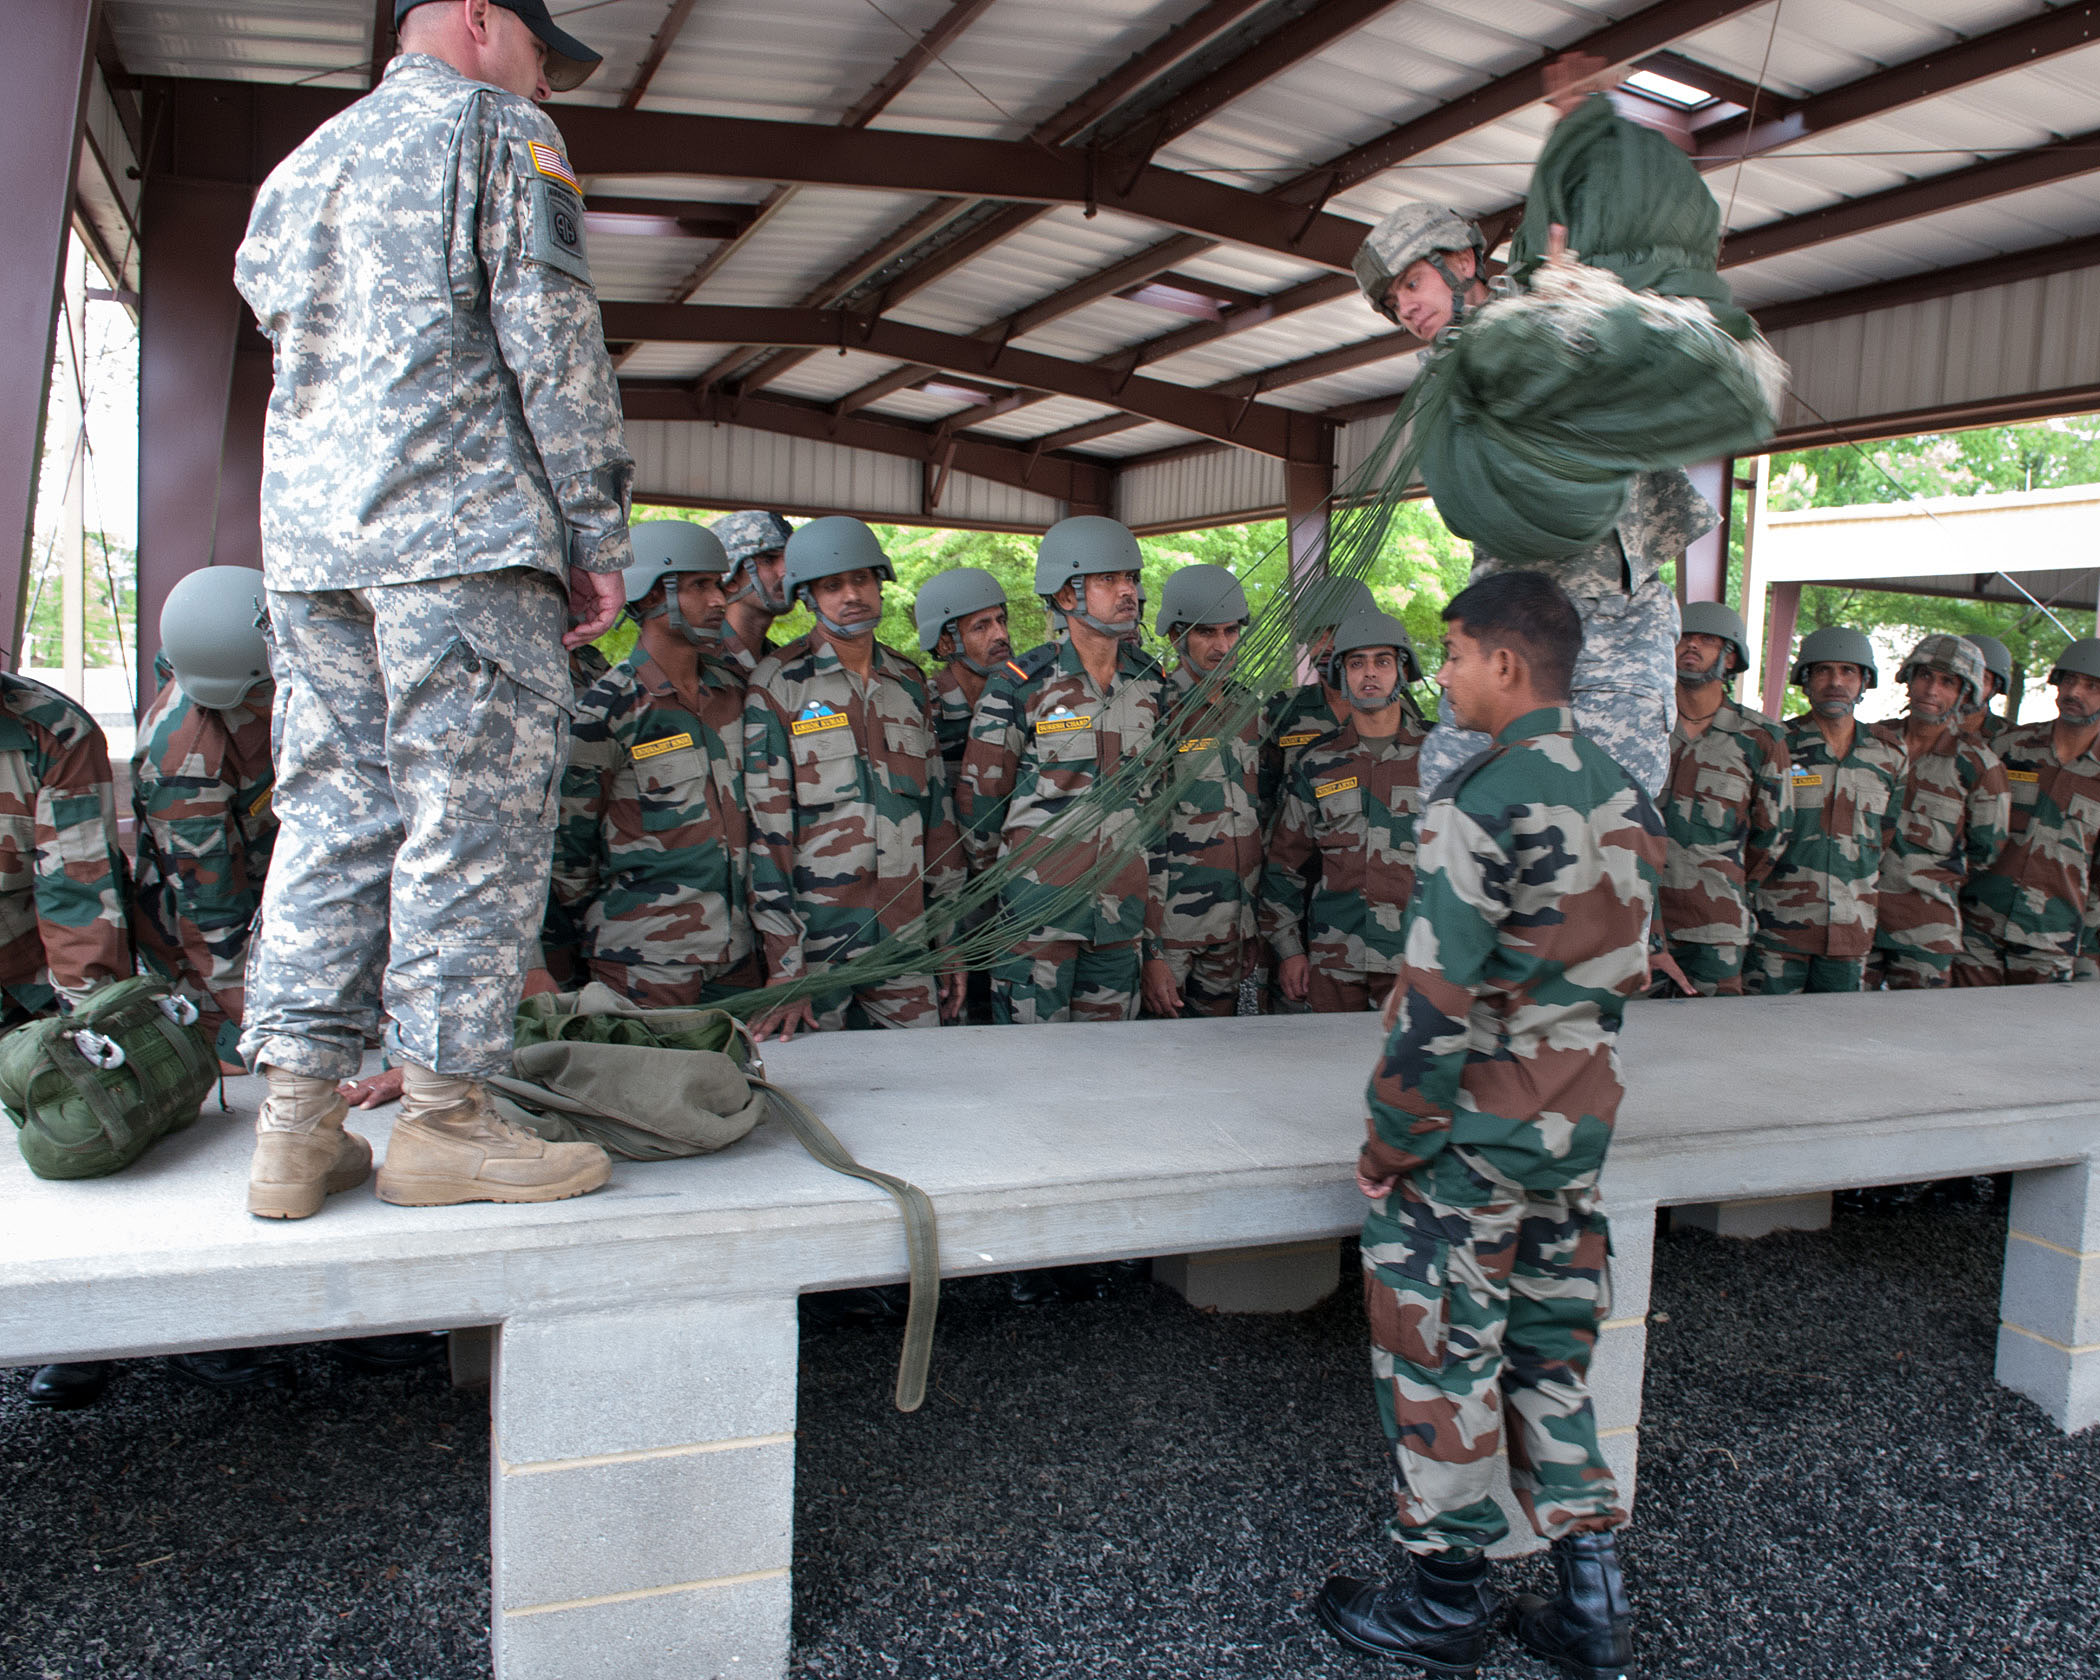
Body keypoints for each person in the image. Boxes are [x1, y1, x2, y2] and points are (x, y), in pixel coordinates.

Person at [231, 0, 630, 1219]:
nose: (547, 84)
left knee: (335, 813)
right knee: (470, 816)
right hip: (458, 540)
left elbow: (274, 325)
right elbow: (552, 338)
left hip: (310, 554)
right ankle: (447, 1118)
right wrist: (595, 532)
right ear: (476, 18)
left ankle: (294, 1131)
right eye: (540, 54)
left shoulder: (300, 166)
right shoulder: (500, 134)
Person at [1315, 571, 1662, 1680]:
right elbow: (1617, 976)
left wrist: (1389, 1145)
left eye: (1456, 653)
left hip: (1469, 1147)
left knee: (1442, 1359)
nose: (1445, 674)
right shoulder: (1622, 791)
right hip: (1575, 1134)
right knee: (1551, 1359)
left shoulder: (1482, 798)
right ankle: (1590, 1607)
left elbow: (1434, 1007)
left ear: (1506, 664)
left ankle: (1446, 1604)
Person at [1351, 64, 1710, 800]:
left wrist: (1581, 121)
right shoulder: (1444, 385)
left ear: (1458, 263)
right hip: (1515, 610)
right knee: (1452, 777)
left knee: (1617, 802)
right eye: (1393, 303)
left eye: (1411, 285)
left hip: (1616, 608)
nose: (1406, 309)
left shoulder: (1548, 294)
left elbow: (1598, 237)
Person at [742, 517, 963, 1037]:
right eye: (832, 585)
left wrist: (949, 936)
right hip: (818, 948)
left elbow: (938, 819)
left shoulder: (908, 682)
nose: (851, 595)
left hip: (905, 939)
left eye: (862, 579)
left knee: (925, 1083)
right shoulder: (778, 684)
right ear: (808, 598)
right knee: (821, 1091)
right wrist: (784, 963)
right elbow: (767, 834)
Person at [958, 516, 1171, 1024]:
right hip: (1037, 923)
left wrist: (1153, 932)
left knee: (1109, 1077)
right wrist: (1017, 894)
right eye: (1108, 580)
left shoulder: (1151, 684)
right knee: (1033, 1078)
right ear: (1067, 595)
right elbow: (979, 811)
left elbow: (1160, 811)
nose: (1128, 592)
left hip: (1120, 922)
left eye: (1131, 579)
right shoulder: (1019, 686)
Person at [548, 520, 758, 1006]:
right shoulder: (608, 708)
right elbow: (568, 854)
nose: (718, 601)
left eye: (719, 584)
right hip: (645, 961)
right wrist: (622, 924)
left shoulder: (737, 694)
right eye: (697, 586)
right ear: (644, 597)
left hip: (741, 955)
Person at [5, 670, 135, 1411]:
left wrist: (86, 1042)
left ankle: (72, 1330)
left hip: (24, 988)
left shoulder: (47, 727)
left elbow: (79, 894)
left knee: (71, 1138)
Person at [129, 568, 277, 1071]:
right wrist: (263, 1025)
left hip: (266, 890)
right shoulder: (184, 767)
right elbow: (208, 907)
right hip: (209, 944)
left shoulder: (239, 659)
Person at [1260, 607, 1428, 1014]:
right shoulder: (1317, 763)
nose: (1369, 673)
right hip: (1336, 963)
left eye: (1382, 661)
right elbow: (1284, 865)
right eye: (1357, 663)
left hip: (1419, 960)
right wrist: (1290, 951)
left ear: (1402, 671)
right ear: (1342, 675)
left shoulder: (1441, 755)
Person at [1748, 628, 1907, 995]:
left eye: (1848, 671)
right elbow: (1758, 831)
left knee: (1837, 1041)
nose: (1836, 682)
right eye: (1823, 671)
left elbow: (1885, 833)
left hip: (1850, 931)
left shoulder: (1888, 754)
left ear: (1865, 680)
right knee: (1763, 1035)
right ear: (1805, 681)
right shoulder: (1778, 744)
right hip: (1778, 926)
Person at [1655, 601, 1792, 996]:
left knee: (1715, 1041)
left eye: (1707, 640)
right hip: (1640, 920)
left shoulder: (1761, 737)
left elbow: (1772, 837)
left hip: (1716, 925)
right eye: (1683, 638)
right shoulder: (1644, 726)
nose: (1691, 646)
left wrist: (1723, 881)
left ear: (1730, 657)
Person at [1150, 563, 1263, 1018]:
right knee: (1161, 1060)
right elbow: (1141, 831)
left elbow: (1260, 812)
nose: (1223, 646)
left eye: (1231, 631)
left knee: (1218, 1057)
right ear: (1178, 638)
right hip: (1173, 928)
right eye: (1208, 634)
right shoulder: (1155, 708)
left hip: (1235, 926)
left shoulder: (1249, 707)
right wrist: (1151, 950)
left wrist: (1253, 924)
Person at [1866, 635, 2010, 990]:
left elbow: (1987, 850)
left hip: (1926, 931)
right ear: (1909, 680)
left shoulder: (1979, 764)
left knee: (1918, 1036)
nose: (1932, 689)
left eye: (1948, 682)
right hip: (1855, 919)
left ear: (1965, 695)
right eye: (1925, 676)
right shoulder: (1872, 742)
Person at [1956, 637, 2100, 986]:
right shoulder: (2009, 746)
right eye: (2068, 681)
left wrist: (2089, 952)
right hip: (1977, 928)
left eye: (2091, 685)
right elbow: (1962, 826)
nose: (2074, 692)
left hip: (2052, 939)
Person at [1260, 574, 1379, 815]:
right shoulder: (1281, 710)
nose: (1324, 645)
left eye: (1334, 632)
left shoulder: (1393, 709)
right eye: (1315, 634)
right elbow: (1263, 796)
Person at [914, 566, 1012, 771]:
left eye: (1001, 621)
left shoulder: (1027, 696)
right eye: (981, 627)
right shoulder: (921, 712)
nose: (1001, 635)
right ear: (945, 644)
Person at [712, 510, 795, 674]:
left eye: (790, 559)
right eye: (768, 560)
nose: (785, 571)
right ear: (731, 578)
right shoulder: (697, 660)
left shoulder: (783, 662)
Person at [1961, 632, 2017, 749]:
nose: (1969, 686)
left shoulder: (2013, 739)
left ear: (1995, 688)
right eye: (1960, 676)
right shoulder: (1919, 726)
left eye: (1982, 678)